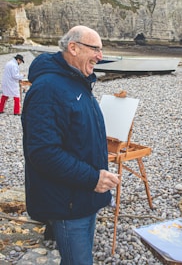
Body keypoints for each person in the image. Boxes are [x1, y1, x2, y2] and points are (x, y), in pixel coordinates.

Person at [22, 26, 120, 265]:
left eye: (101, 49)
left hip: (83, 197)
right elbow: (43, 153)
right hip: (67, 203)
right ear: (73, 48)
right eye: (95, 49)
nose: (100, 56)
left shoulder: (78, 81)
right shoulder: (48, 89)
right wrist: (93, 178)